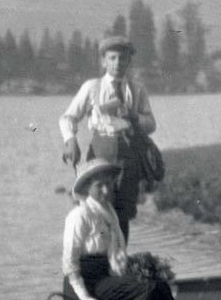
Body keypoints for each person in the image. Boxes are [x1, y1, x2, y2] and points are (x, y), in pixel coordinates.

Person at [59, 33, 156, 243]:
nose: (117, 63)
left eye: (122, 58)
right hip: (101, 153)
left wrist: (133, 116)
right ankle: (96, 263)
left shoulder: (137, 91)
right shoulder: (92, 87)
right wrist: (70, 140)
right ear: (103, 61)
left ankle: (119, 264)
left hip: (128, 154)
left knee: (123, 212)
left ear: (129, 61)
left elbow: (151, 124)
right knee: (96, 207)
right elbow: (68, 118)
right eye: (112, 58)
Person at [61, 158, 178, 300]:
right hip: (84, 286)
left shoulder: (109, 212)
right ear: (86, 188)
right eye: (99, 186)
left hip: (104, 279)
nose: (106, 190)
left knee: (159, 285)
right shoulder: (79, 216)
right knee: (148, 289)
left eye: (108, 184)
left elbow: (115, 255)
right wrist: (84, 298)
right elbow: (70, 263)